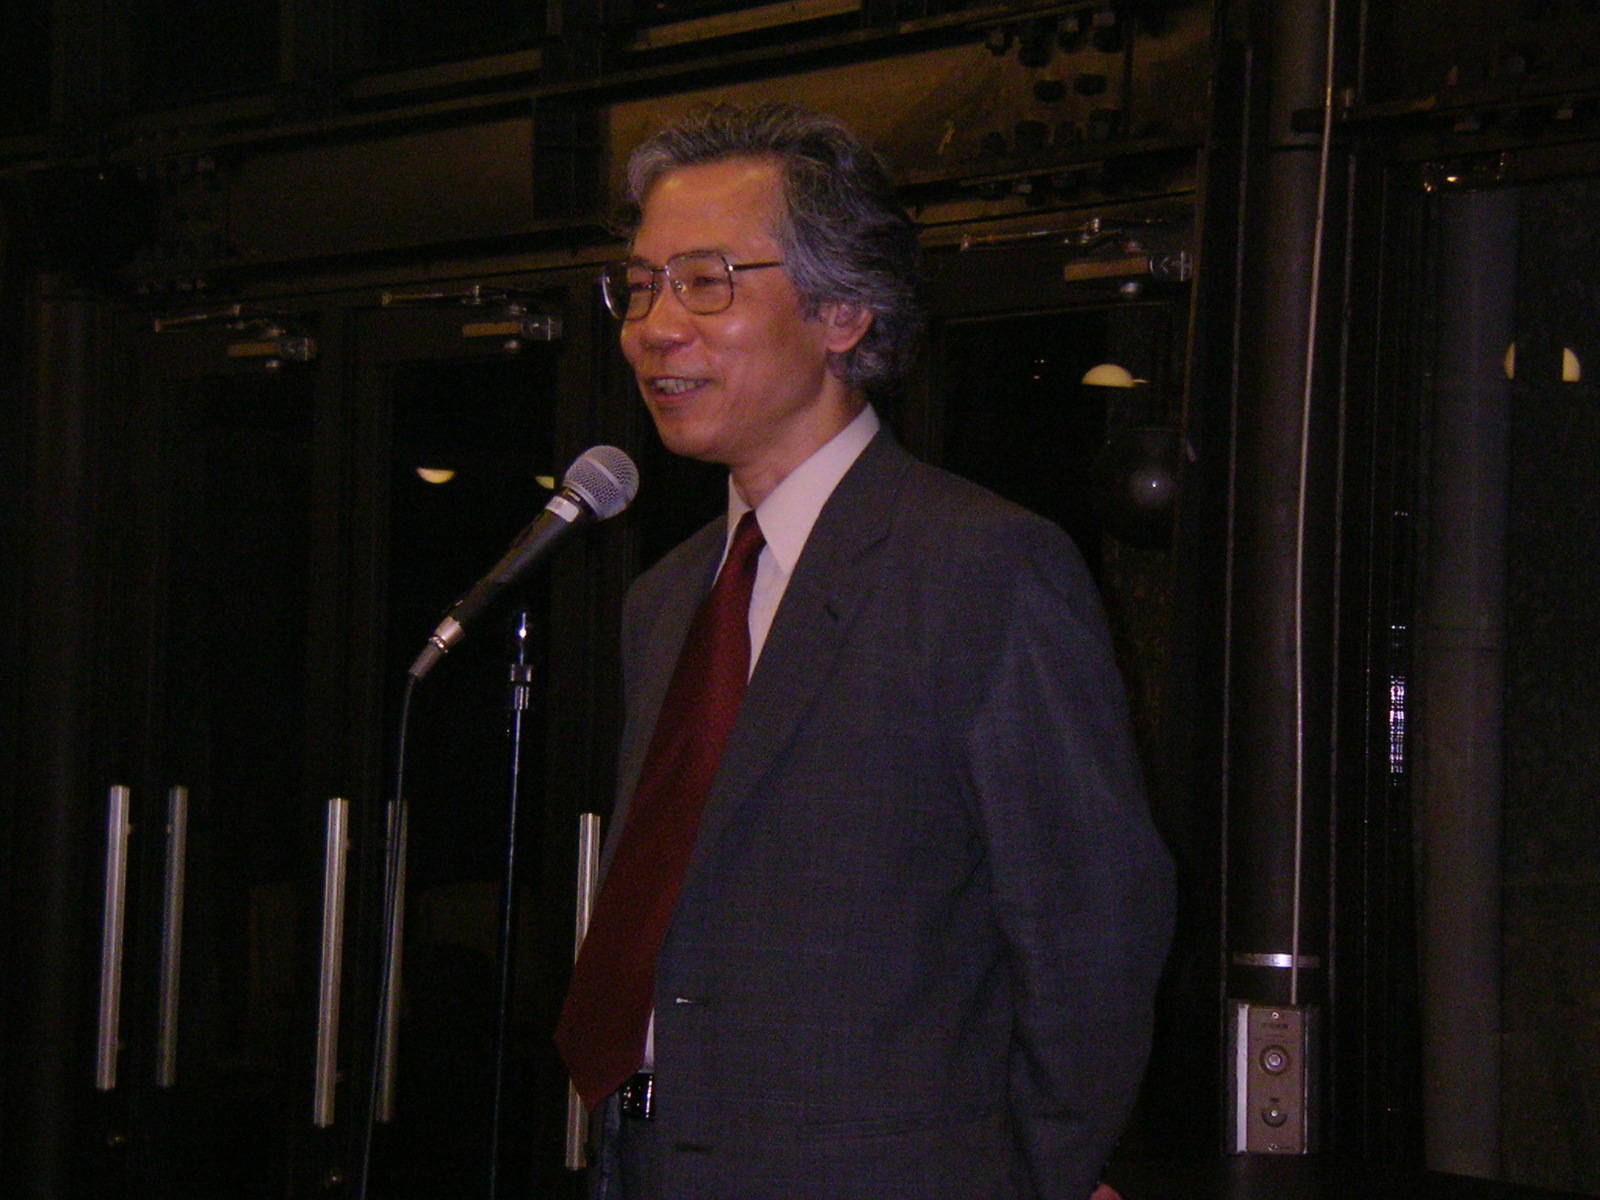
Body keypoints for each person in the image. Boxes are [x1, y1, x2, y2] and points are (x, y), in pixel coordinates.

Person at [554, 101, 1173, 1200]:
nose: (654, 326)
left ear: (842, 311)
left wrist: (1026, 1180)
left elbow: (1093, 929)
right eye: (639, 286)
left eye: (704, 281)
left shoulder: (981, 568)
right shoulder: (666, 598)